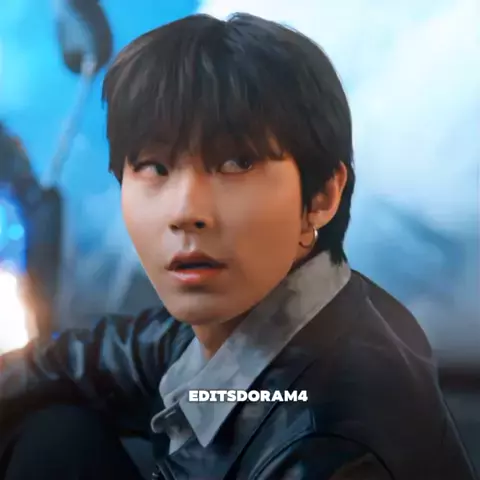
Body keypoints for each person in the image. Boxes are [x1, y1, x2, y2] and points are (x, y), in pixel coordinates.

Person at [0, 12, 476, 480]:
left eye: (235, 164)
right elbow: (81, 360)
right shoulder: (223, 324)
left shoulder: (330, 452)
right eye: (155, 167)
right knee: (51, 430)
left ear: (321, 197)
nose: (185, 211)